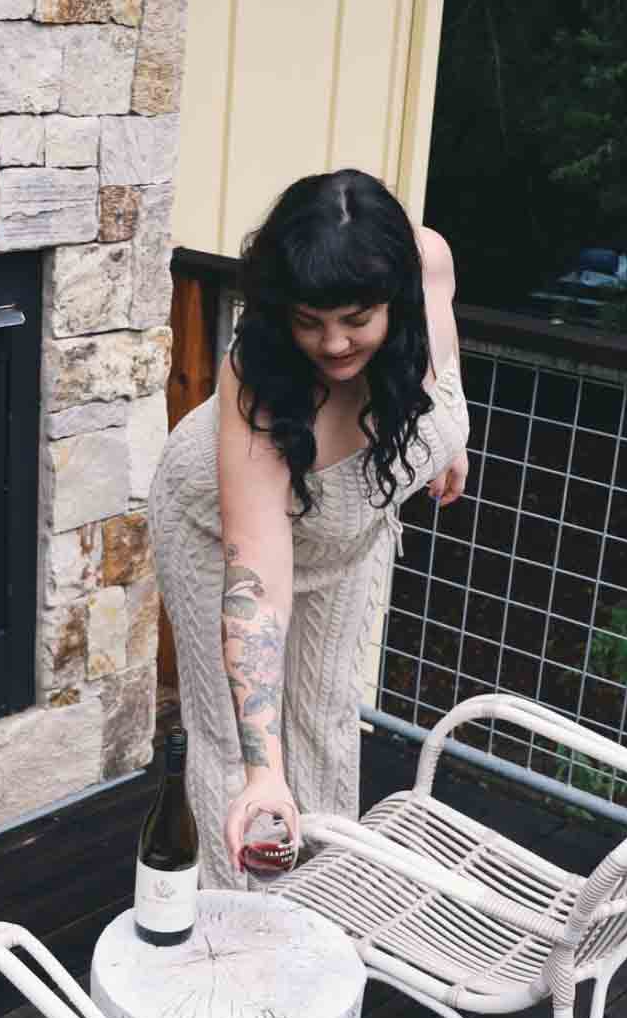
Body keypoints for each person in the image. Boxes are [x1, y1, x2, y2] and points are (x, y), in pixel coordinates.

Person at [149, 168, 472, 888]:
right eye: (308, 321)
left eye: (356, 320)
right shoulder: (259, 378)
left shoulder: (428, 259)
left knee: (327, 721)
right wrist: (266, 774)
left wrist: (452, 439)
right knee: (239, 744)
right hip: (217, 529)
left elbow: (445, 363)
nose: (332, 344)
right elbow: (257, 584)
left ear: (397, 293)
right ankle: (239, 935)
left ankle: (325, 905)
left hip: (346, 533)